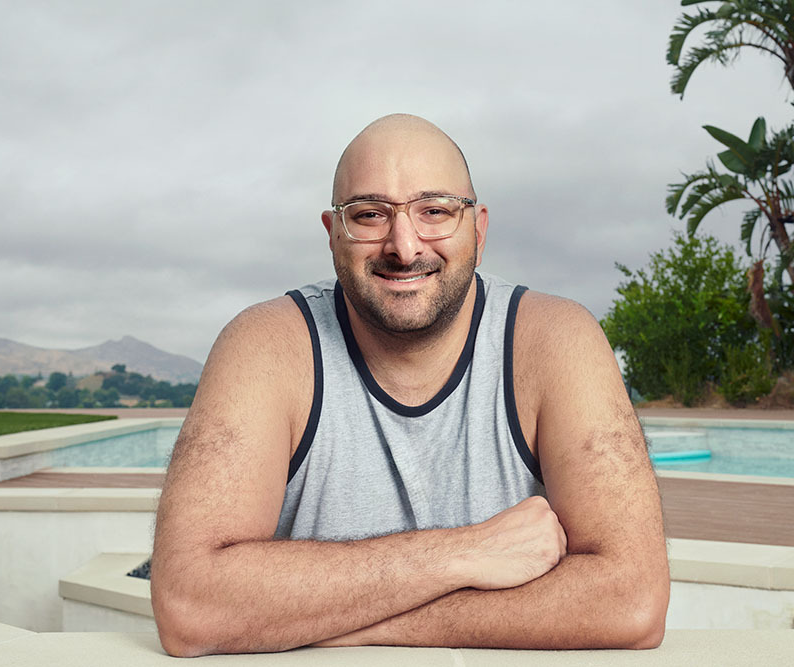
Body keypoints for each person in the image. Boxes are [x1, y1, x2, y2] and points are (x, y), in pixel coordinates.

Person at [150, 114, 669, 657]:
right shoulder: (265, 346)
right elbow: (191, 605)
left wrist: (347, 621)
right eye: (370, 215)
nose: (404, 245)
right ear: (332, 234)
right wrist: (463, 553)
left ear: (479, 228)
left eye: (435, 211)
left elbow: (631, 600)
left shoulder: (557, 341)